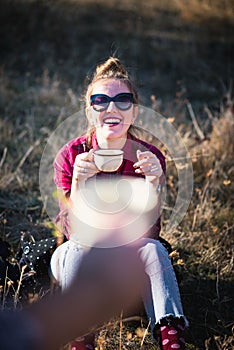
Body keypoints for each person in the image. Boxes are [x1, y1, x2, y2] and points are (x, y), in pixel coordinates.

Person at [51, 57, 188, 350]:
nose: (112, 108)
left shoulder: (148, 157)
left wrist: (154, 184)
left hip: (128, 262)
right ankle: (80, 335)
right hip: (82, 260)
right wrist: (78, 184)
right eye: (100, 101)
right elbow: (73, 231)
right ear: (90, 112)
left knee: (154, 248)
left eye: (123, 100)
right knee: (71, 249)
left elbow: (148, 232)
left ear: (135, 112)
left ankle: (170, 334)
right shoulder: (70, 155)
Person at [0, 243, 146, 350]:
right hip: (75, 248)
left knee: (153, 248)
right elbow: (66, 221)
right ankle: (81, 339)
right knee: (75, 248)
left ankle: (168, 333)